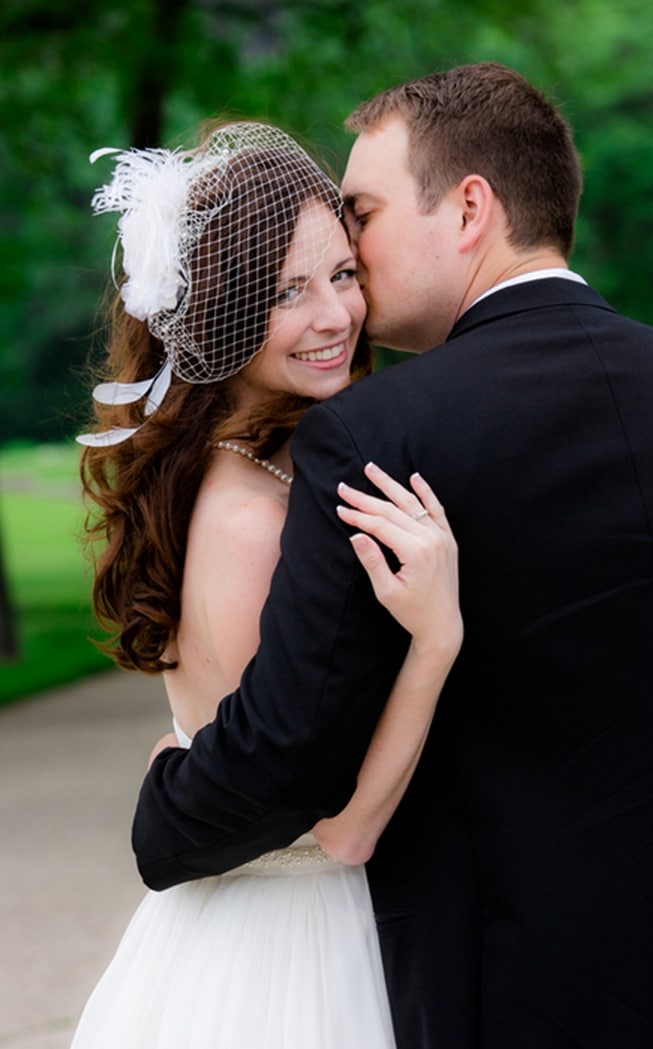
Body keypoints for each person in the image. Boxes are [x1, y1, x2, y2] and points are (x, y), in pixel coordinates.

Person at [132, 63, 653, 1048]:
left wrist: (166, 813)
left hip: (489, 974)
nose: (353, 261)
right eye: (294, 285)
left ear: (469, 206)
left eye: (363, 219)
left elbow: (286, 749)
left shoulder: (376, 430)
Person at [70, 122, 462, 1048]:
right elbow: (339, 825)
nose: (335, 316)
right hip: (296, 945)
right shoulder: (252, 517)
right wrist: (436, 636)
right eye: (286, 291)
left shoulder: (260, 468)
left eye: (342, 274)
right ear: (221, 316)